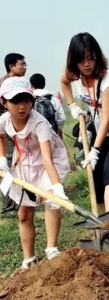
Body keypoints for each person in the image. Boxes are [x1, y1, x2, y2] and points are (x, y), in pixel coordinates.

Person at [61, 32, 109, 216]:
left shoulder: (108, 81)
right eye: (81, 60)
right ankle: (103, 222)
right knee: (95, 177)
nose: (86, 64)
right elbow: (63, 82)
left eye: (90, 58)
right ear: (74, 60)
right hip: (102, 129)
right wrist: (72, 106)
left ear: (97, 57)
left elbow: (107, 119)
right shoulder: (75, 75)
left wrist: (95, 150)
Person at [0, 77, 70, 268]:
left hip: (48, 161)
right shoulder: (4, 120)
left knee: (51, 201)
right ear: (4, 102)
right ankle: (29, 258)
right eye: (16, 101)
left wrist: (57, 188)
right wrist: (2, 160)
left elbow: (47, 158)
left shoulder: (39, 123)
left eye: (27, 100)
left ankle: (51, 249)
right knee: (24, 213)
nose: (22, 106)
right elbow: (1, 136)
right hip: (24, 163)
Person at [0, 53, 27, 216]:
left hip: (19, 129)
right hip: (7, 130)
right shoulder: (4, 84)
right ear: (11, 66)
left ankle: (21, 201)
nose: (24, 67)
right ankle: (9, 205)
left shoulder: (21, 83)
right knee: (8, 162)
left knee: (22, 161)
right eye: (21, 64)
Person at [30, 73, 66, 138]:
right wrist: (54, 125)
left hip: (35, 135)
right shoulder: (54, 99)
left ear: (31, 85)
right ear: (44, 84)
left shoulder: (29, 99)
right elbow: (62, 118)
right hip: (52, 134)